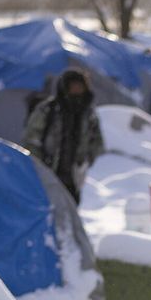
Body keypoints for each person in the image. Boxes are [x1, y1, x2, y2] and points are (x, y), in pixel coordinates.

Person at [22, 67, 105, 202]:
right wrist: (39, 162)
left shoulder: (88, 115)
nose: (77, 90)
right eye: (73, 87)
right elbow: (31, 138)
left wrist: (86, 160)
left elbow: (97, 142)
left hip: (74, 174)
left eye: (80, 87)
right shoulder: (48, 110)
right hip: (49, 169)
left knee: (71, 206)